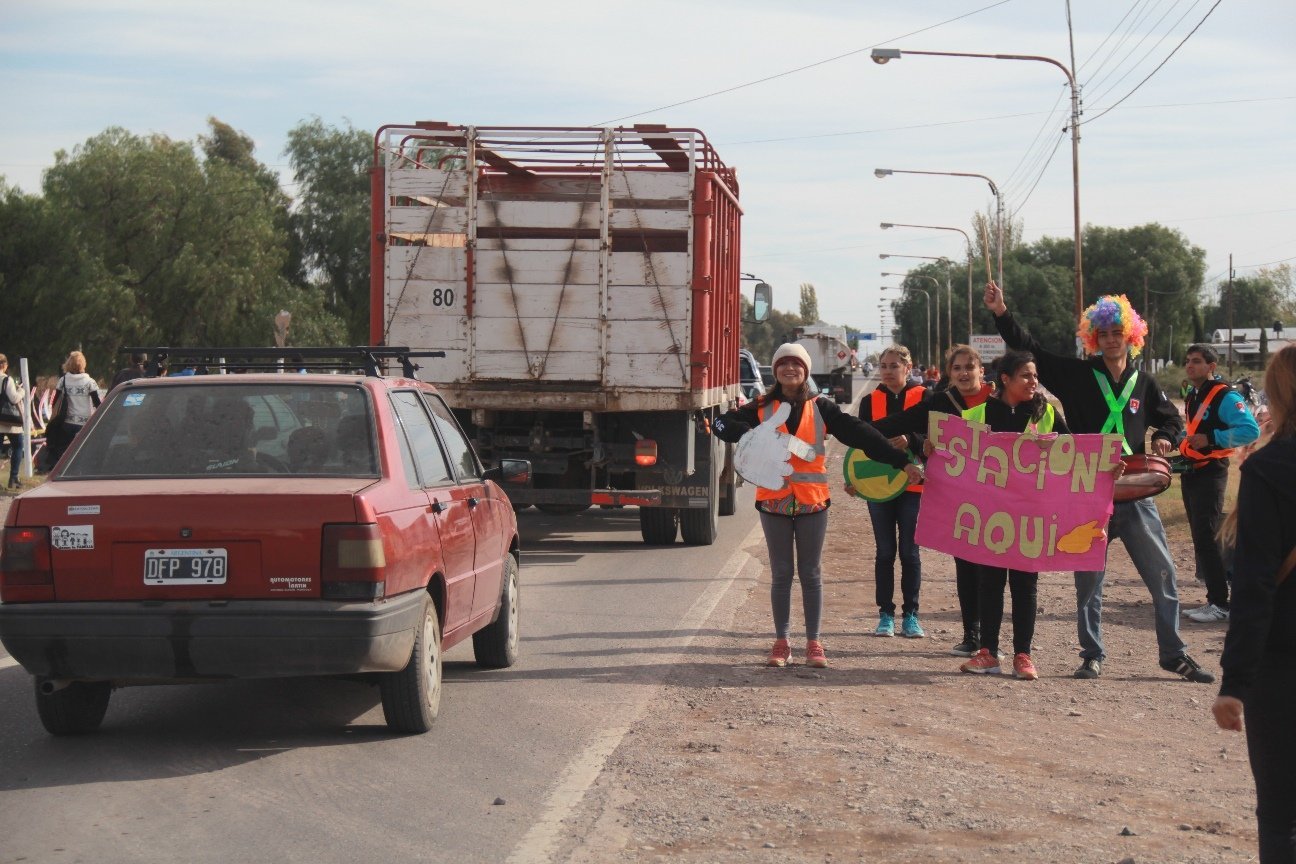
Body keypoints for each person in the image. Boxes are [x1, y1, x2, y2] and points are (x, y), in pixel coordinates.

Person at [985, 283, 1214, 683]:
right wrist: (1002, 312)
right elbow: (1030, 347)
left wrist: (1168, 437)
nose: (1110, 340)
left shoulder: (1144, 382)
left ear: (1131, 336)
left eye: (1117, 333)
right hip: (1088, 494)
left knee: (1163, 576)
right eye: (1103, 334)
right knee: (1089, 583)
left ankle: (1174, 654)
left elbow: (1172, 419)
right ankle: (1092, 654)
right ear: (1094, 338)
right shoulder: (1075, 374)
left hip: (1137, 491)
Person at [714, 342, 921, 668]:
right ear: (776, 369)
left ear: (805, 371)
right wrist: (752, 432)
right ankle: (781, 642)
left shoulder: (822, 407)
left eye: (796, 365)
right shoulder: (760, 406)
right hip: (774, 502)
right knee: (781, 573)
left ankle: (813, 642)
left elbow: (863, 435)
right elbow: (722, 425)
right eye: (783, 364)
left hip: (812, 502)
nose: (789, 369)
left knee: (810, 573)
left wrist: (901, 461)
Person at [1212, 344, 1296, 863]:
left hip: (1283, 661)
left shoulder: (1269, 469)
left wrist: (1234, 682)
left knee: (1282, 814)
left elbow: (1255, 584)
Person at [957, 350, 1075, 680]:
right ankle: (988, 653)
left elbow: (1075, 454)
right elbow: (959, 459)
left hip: (1030, 515)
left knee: (1025, 584)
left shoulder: (1047, 413)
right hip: (991, 514)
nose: (1033, 381)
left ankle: (1023, 654)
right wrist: (929, 448)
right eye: (1026, 375)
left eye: (1035, 376)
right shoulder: (978, 413)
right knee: (990, 584)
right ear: (1005, 379)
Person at [869, 344, 993, 656]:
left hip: (994, 497)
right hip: (956, 495)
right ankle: (972, 636)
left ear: (982, 370)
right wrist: (852, 430)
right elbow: (902, 424)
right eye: (957, 368)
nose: (963, 373)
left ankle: (992, 642)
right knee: (964, 564)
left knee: (991, 569)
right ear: (949, 374)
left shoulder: (999, 401)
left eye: (969, 367)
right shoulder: (941, 401)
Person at [1178, 344, 1260, 624]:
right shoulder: (1192, 394)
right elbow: (1192, 429)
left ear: (1212, 367)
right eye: (1188, 361)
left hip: (1212, 471)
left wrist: (1213, 438)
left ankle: (1220, 604)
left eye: (1197, 361)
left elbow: (1250, 430)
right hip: (1192, 471)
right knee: (1200, 537)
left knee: (1207, 536)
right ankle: (1215, 598)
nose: (1190, 366)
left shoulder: (1225, 396)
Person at [858, 344, 929, 639]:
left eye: (893, 365)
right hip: (878, 486)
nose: (887, 371)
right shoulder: (868, 401)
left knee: (909, 553)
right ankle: (885, 614)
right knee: (885, 551)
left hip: (914, 485)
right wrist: (855, 480)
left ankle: (911, 615)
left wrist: (910, 439)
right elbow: (858, 444)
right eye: (883, 366)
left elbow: (935, 436)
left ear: (907, 367)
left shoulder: (925, 397)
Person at [47, 350, 102, 465]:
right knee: (82, 451)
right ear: (83, 364)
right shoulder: (89, 382)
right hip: (84, 423)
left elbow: (54, 401)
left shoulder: (63, 380)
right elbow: (98, 403)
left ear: (68, 364)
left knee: (66, 452)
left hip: (67, 422)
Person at [0, 354, 27, 490]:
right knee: (17, 446)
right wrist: (22, 391)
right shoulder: (7, 379)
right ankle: (14, 478)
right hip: (8, 421)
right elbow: (14, 398)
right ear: (4, 365)